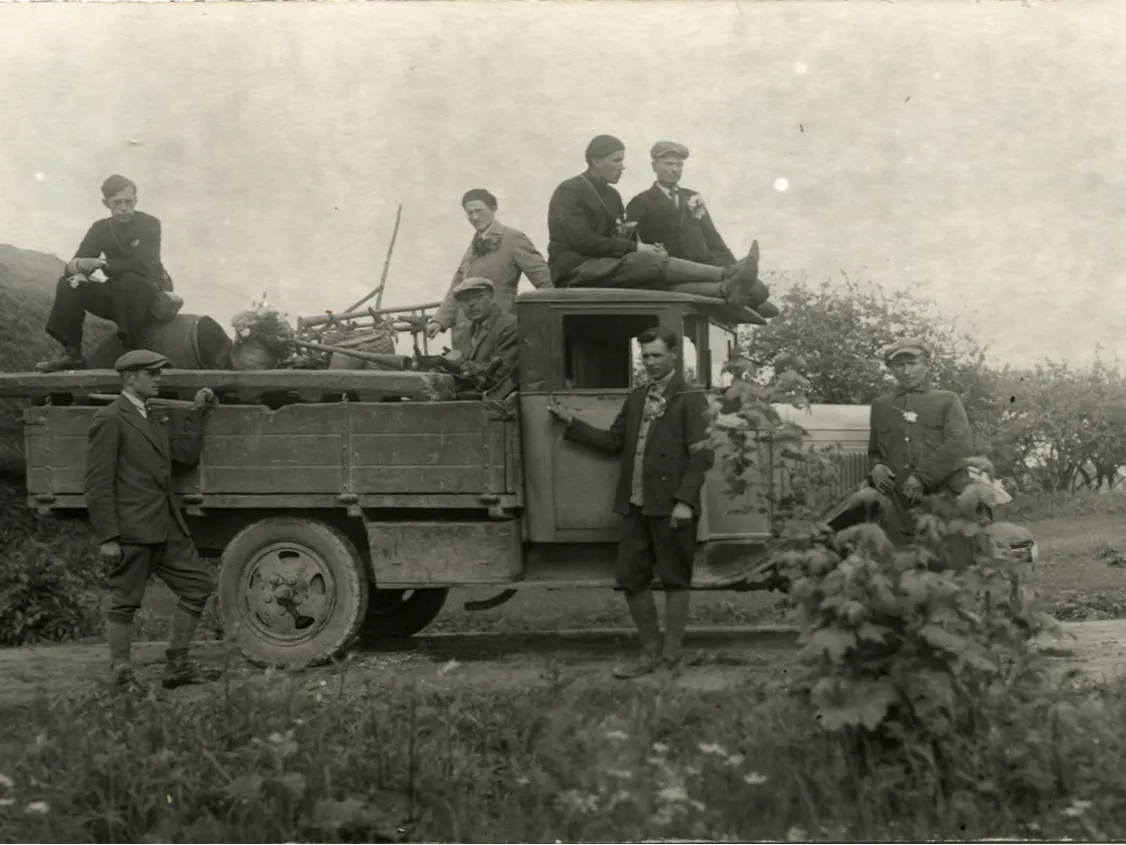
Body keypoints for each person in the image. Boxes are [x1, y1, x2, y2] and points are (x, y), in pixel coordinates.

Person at [547, 326, 714, 679]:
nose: (650, 362)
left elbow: (702, 456)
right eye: (645, 356)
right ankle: (650, 654)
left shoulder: (691, 397)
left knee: (674, 578)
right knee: (630, 576)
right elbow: (613, 442)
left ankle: (671, 659)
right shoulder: (638, 397)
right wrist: (572, 423)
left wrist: (685, 501)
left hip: (672, 506)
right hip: (636, 505)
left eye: (656, 355)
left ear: (673, 355)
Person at [84, 348, 221, 694]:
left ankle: (177, 665)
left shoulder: (154, 416)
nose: (158, 379)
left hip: (165, 524)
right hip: (131, 528)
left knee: (198, 586)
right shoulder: (110, 419)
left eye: (158, 373)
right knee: (125, 601)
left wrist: (197, 411)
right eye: (151, 374)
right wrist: (108, 536)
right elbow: (98, 483)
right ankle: (121, 673)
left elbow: (184, 456)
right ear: (130, 378)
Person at [545, 134, 767, 310]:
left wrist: (645, 246)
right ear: (596, 160)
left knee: (757, 292)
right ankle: (728, 275)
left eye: (678, 165)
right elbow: (582, 240)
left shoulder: (612, 197)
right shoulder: (570, 191)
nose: (623, 167)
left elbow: (621, 237)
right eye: (617, 160)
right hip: (575, 268)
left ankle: (729, 287)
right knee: (650, 264)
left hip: (607, 266)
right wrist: (638, 248)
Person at [36, 175, 184, 374]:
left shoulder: (150, 224)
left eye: (128, 201)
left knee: (129, 280)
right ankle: (72, 355)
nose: (124, 207)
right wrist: (76, 267)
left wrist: (101, 263)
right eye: (117, 203)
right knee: (70, 283)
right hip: (120, 296)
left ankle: (135, 352)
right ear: (106, 203)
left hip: (149, 292)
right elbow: (78, 261)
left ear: (136, 200)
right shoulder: (100, 228)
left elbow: (144, 265)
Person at [867, 337, 974, 547]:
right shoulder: (881, 406)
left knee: (948, 562)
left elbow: (960, 444)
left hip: (943, 500)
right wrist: (876, 467)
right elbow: (874, 451)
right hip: (897, 506)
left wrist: (922, 477)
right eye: (899, 365)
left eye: (912, 363)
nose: (906, 372)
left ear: (927, 365)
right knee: (901, 566)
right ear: (891, 369)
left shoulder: (947, 400)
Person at [426, 189, 552, 341]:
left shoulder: (513, 238)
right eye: (470, 213)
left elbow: (544, 280)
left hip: (500, 326)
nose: (475, 217)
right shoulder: (473, 247)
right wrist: (439, 321)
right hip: (467, 330)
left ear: (493, 209)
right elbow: (456, 289)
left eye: (479, 211)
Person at [625, 141, 738, 268]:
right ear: (654, 166)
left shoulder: (692, 196)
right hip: (671, 268)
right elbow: (631, 244)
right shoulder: (641, 202)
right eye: (668, 164)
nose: (675, 170)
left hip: (706, 263)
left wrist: (734, 265)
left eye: (679, 165)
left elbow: (713, 238)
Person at [425, 277, 519, 400]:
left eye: (478, 296)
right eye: (464, 300)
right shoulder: (467, 329)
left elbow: (501, 375)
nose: (471, 304)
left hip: (496, 400)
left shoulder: (510, 326)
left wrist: (458, 366)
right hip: (475, 395)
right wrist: (444, 362)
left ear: (491, 296)